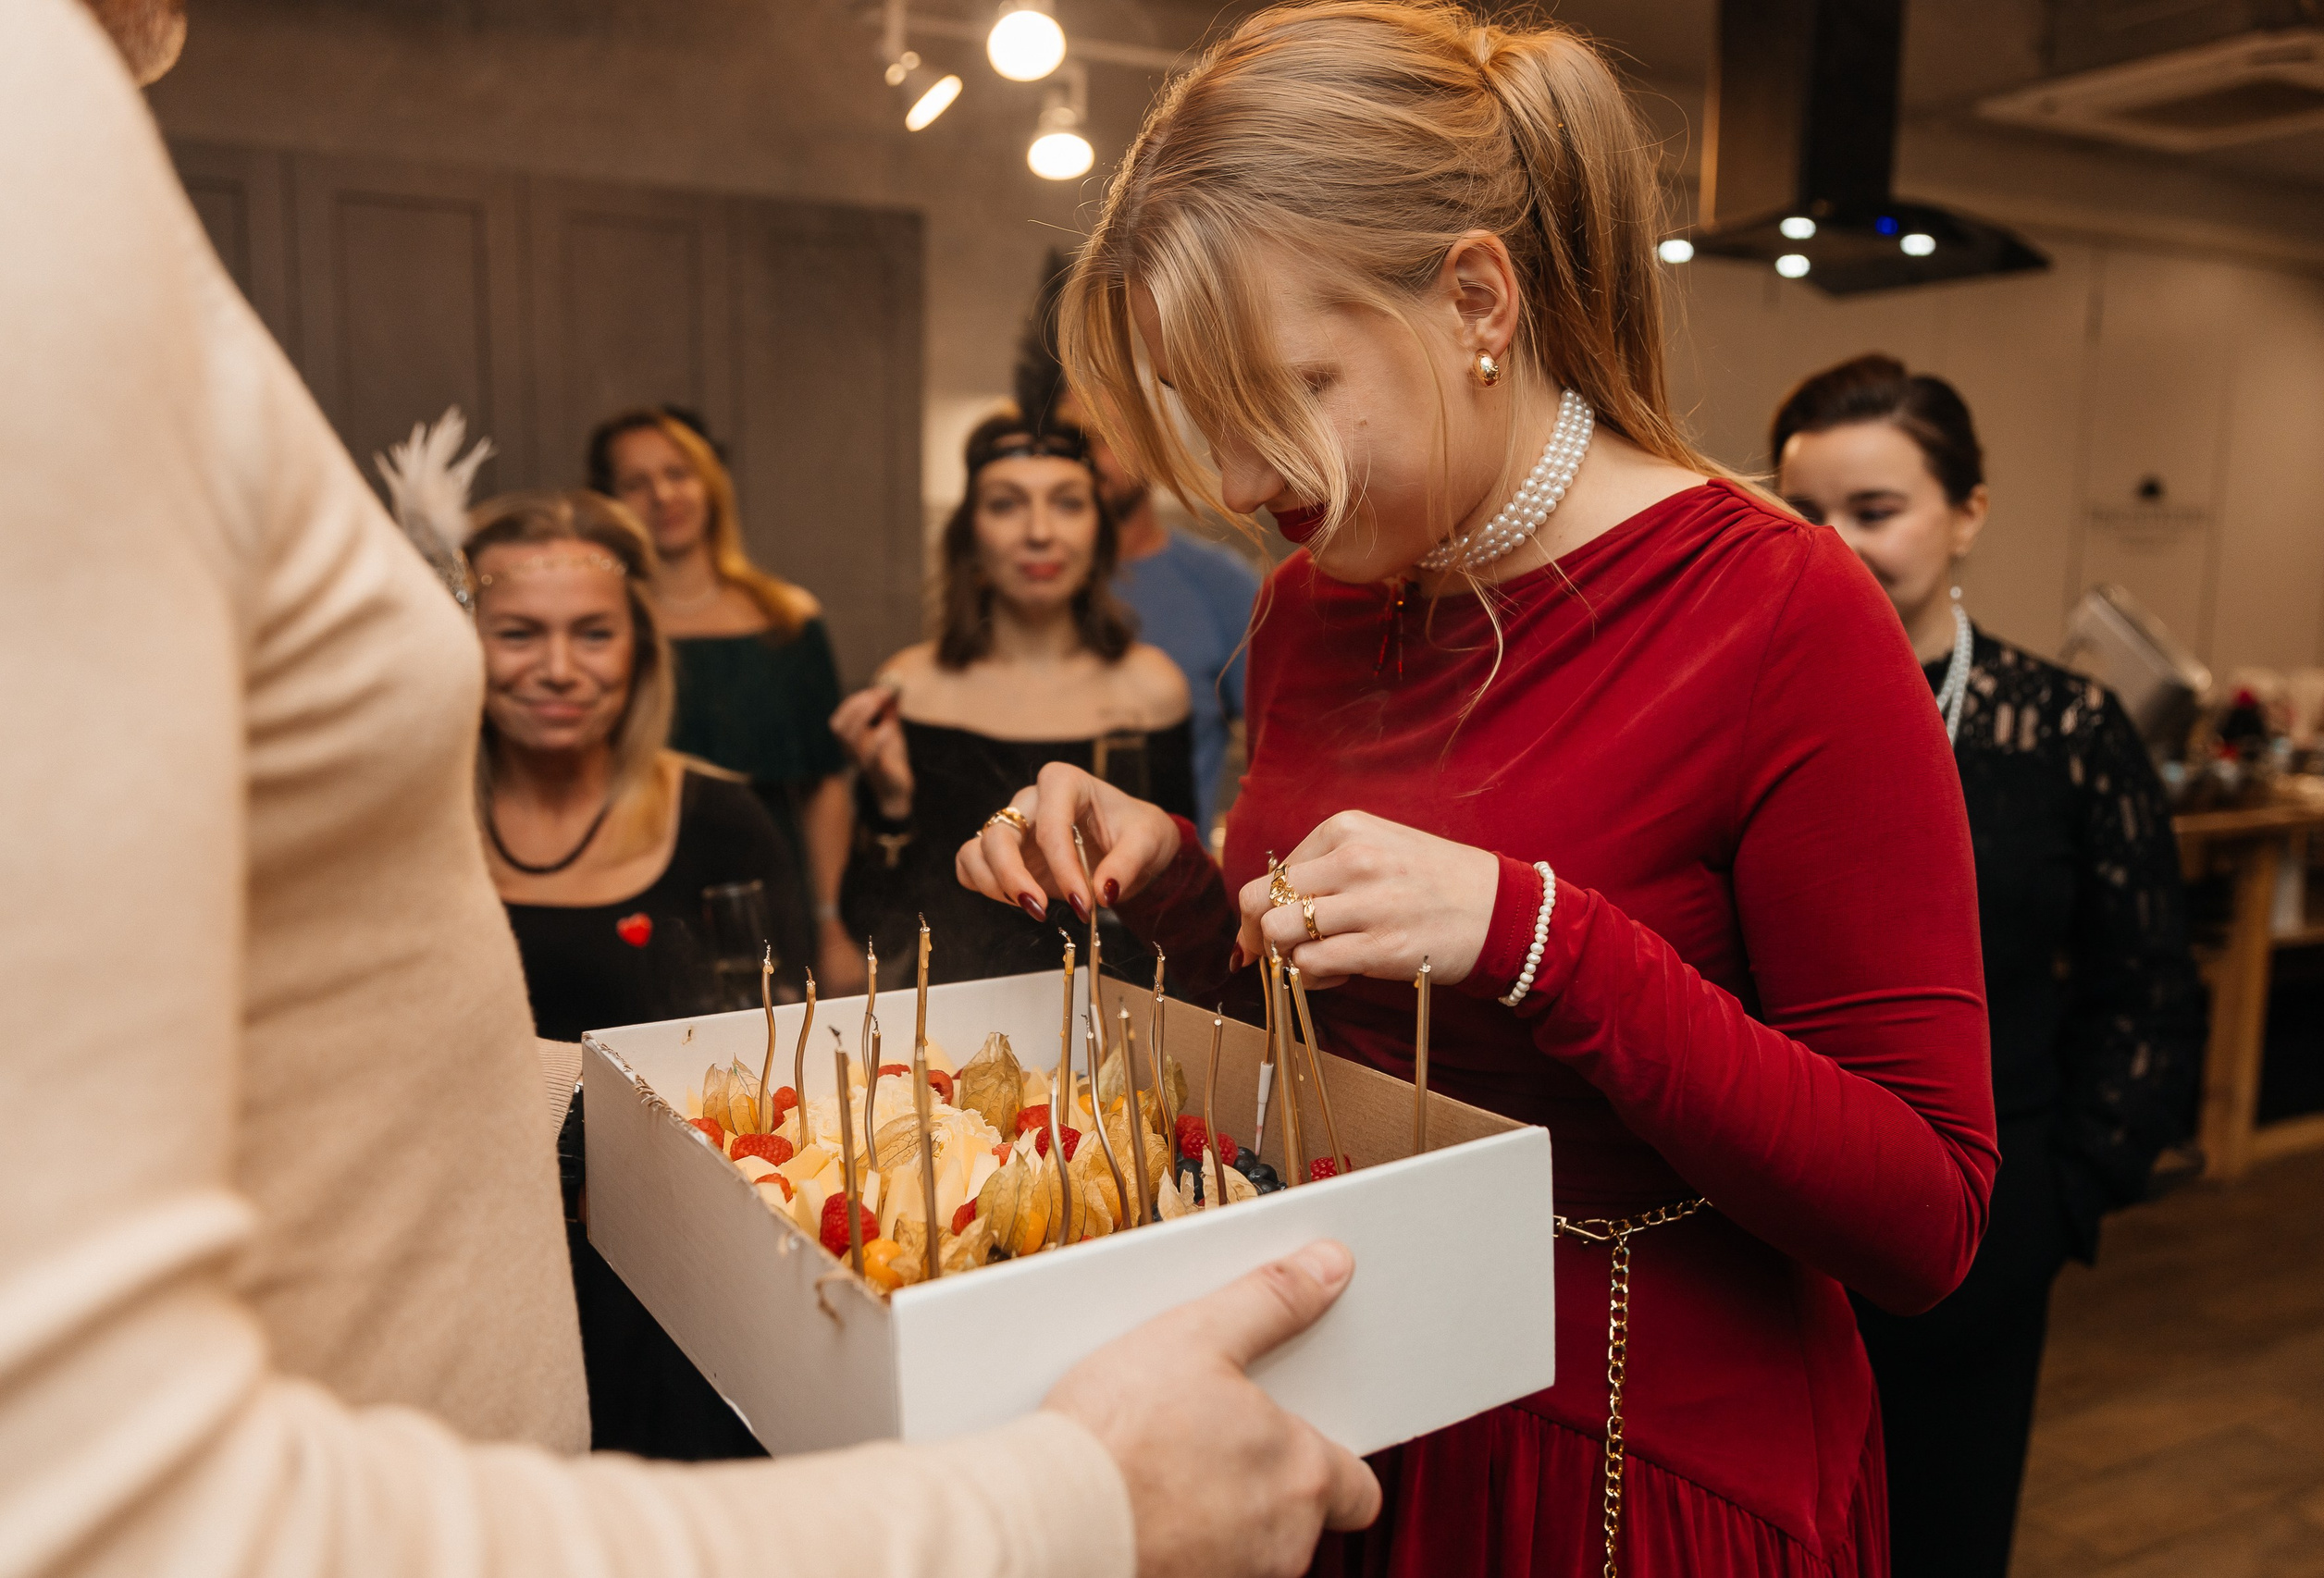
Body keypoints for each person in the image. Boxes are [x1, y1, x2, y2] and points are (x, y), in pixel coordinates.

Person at [1, 3, 1383, 1574]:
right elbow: (92, 1506)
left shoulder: (76, 133)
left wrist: (657, 1120)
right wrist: (1065, 1507)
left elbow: (293, 1038)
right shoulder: (25, 124)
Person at [957, 3, 1999, 1573]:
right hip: (1346, 1417)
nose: (1239, 483)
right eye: (1201, 415)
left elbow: (1925, 1217)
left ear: (1474, 300)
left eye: (1285, 394)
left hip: (1624, 1468)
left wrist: (1544, 940)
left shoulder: (1779, 608)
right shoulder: (1317, 597)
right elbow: (1337, 1039)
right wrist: (1180, 878)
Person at [1772, 353, 2203, 1578]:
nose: (1834, 542)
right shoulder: (1744, 708)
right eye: (1804, 512)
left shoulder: (2061, 727)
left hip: (1977, 1241)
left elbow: (2146, 986)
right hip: (1763, 1224)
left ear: (1967, 513)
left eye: (1875, 510)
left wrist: (2063, 1197)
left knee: (1939, 1529)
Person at [468, 487, 802, 1462]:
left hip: (665, 1296)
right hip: (470, 1274)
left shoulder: (721, 820)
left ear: (642, 646)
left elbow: (768, 1077)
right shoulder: (408, 831)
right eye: (519, 632)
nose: (559, 669)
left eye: (594, 633)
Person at [834, 412, 1196, 984]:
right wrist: (890, 802)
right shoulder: (913, 685)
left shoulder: (1150, 689)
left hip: (1105, 1011)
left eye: (1068, 503)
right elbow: (875, 923)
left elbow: (1180, 911)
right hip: (951, 1004)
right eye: (1006, 504)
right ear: (970, 535)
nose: (1039, 531)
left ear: (1099, 531)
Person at [588, 406, 865, 995]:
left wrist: (834, 926)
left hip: (770, 892)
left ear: (711, 482)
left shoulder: (786, 619)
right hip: (638, 885)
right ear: (608, 502)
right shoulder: (600, 630)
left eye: (678, 471)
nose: (662, 495)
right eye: (636, 483)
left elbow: (824, 788)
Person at [1020, 255, 1262, 840]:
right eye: (1072, 440)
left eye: (1102, 439)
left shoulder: (1223, 586)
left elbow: (1275, 753)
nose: (1086, 460)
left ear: (1152, 446)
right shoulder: (1034, 578)